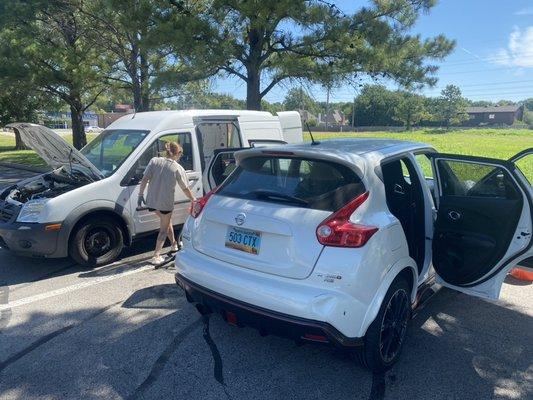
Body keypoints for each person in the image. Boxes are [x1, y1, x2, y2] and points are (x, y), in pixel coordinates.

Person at [137, 141, 195, 265]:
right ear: (178, 153)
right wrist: (193, 200)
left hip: (151, 202)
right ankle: (156, 255)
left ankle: (174, 244)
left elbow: (144, 180)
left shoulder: (154, 161)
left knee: (167, 221)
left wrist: (140, 195)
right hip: (165, 204)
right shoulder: (177, 168)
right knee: (163, 228)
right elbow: (185, 188)